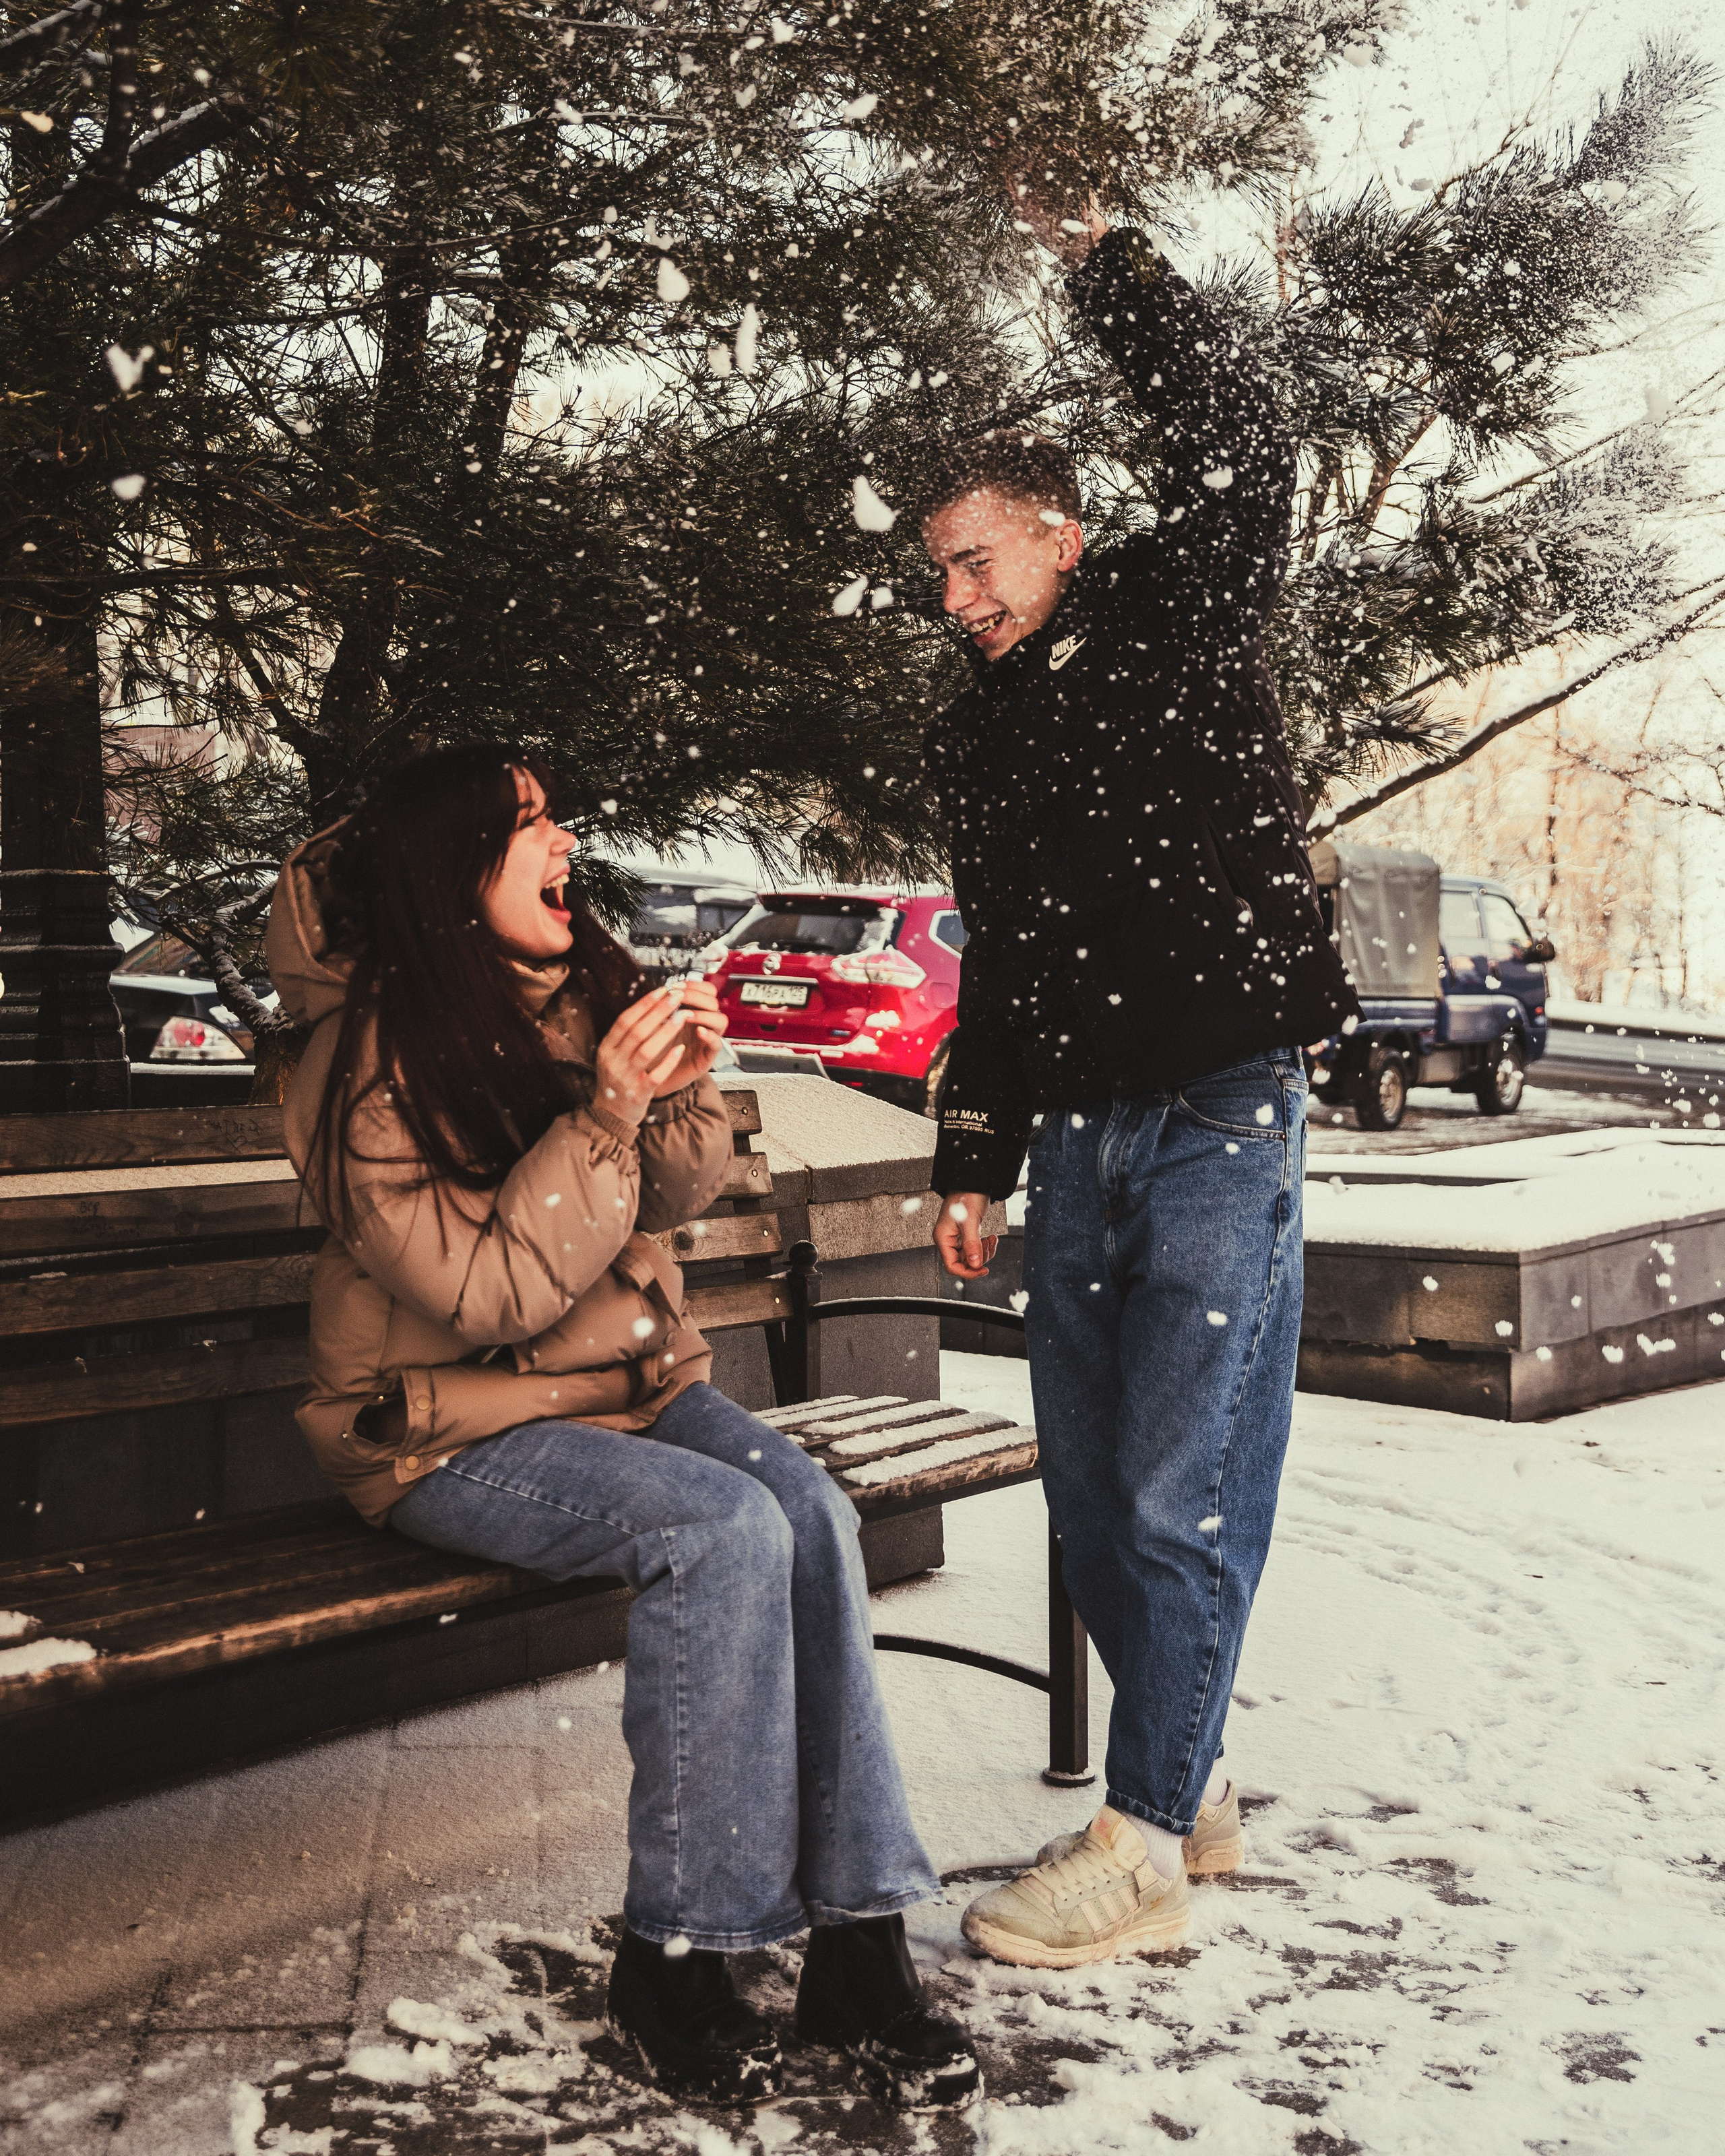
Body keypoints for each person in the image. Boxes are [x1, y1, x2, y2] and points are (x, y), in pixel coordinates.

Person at [265, 744, 976, 2107]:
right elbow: (485, 1294)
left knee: (812, 1514)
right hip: (439, 1430)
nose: (564, 840)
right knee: (717, 1531)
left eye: (554, 815)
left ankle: (857, 1938)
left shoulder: (564, 987)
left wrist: (680, 1090)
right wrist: (602, 1106)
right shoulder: (357, 1068)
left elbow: (657, 1199)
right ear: (446, 873)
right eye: (526, 823)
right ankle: (674, 1955)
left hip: (624, 1387)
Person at [917, 168, 1360, 1969]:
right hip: (1084, 1138)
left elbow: (1250, 436)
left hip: (1219, 1110)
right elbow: (1001, 956)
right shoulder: (983, 735)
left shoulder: (1178, 607)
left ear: (1063, 540)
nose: (957, 597)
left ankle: (1142, 1839)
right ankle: (1192, 1777)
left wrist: (1115, 272)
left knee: (1182, 1487)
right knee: (1096, 1496)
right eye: (938, 573)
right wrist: (972, 1146)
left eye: (979, 558)